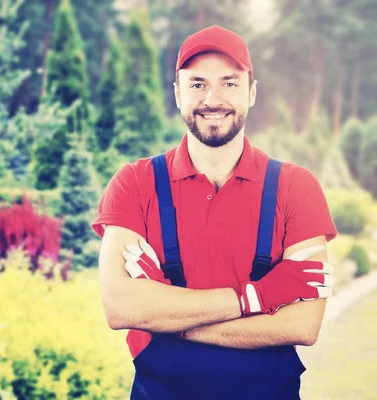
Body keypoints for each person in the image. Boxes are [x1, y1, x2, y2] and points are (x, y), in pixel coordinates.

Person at [91, 25, 338, 399]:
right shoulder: (134, 183)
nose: (213, 98)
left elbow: (303, 325)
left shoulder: (296, 187)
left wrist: (168, 317)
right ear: (177, 93)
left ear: (252, 92)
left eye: (229, 82)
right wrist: (256, 298)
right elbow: (120, 307)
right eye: (197, 84)